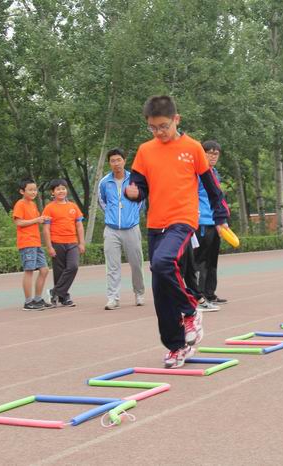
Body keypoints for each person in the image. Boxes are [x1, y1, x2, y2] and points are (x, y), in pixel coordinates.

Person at [124, 95, 228, 369]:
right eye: (153, 127)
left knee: (162, 262)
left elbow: (212, 188)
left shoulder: (193, 148)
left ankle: (191, 309)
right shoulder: (145, 150)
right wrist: (133, 193)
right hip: (155, 224)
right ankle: (176, 346)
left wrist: (220, 218)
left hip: (183, 220)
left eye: (163, 126)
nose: (159, 132)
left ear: (176, 120)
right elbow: (139, 186)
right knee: (160, 288)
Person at [98, 148, 145, 310]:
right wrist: (111, 215)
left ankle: (139, 293)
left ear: (124, 160)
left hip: (131, 228)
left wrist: (131, 215)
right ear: (109, 163)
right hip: (111, 229)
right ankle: (113, 298)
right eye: (113, 161)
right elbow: (102, 201)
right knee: (112, 266)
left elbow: (140, 201)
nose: (116, 163)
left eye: (119, 160)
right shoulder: (104, 182)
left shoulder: (134, 180)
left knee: (136, 263)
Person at [194, 140, 228, 306]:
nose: (213, 156)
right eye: (209, 153)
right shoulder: (197, 173)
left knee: (212, 260)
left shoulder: (214, 173)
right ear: (202, 154)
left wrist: (222, 219)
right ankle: (199, 295)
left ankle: (210, 293)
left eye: (216, 154)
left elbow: (218, 198)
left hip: (215, 221)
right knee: (200, 260)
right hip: (202, 221)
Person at [42, 179, 85, 307]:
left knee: (73, 266)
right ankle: (64, 298)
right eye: (58, 189)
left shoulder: (73, 206)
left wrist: (81, 243)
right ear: (52, 192)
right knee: (59, 272)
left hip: (72, 243)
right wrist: (49, 246)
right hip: (57, 243)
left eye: (63, 188)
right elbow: (46, 229)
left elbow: (79, 226)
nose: (61, 191)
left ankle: (54, 292)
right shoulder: (49, 208)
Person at [13, 179, 53, 310]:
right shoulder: (20, 204)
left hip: (36, 242)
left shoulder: (33, 204)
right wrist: (37, 219)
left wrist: (43, 219)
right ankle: (28, 301)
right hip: (27, 242)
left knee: (44, 270)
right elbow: (18, 222)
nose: (33, 192)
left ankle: (38, 299)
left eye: (35, 189)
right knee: (29, 270)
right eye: (30, 190)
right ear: (22, 191)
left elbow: (35, 221)